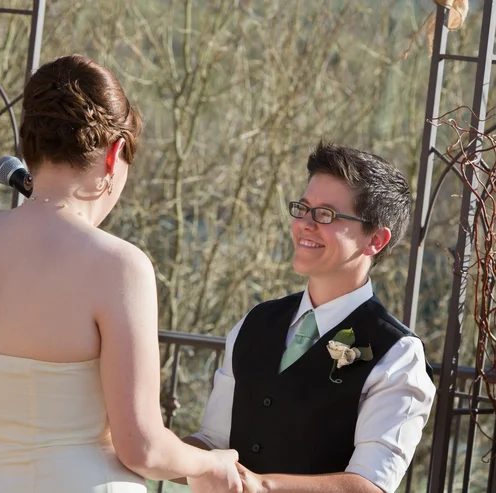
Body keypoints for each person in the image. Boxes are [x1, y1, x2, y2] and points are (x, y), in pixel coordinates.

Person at [0, 54, 242, 493]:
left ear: (30, 148)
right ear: (114, 155)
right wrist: (211, 462)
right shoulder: (118, 266)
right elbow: (143, 448)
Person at [185, 142, 436, 493]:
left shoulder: (398, 355)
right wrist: (147, 444)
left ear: (375, 240)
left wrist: (262, 486)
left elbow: (369, 484)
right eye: (303, 209)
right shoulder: (254, 323)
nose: (304, 224)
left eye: (326, 215)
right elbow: (212, 442)